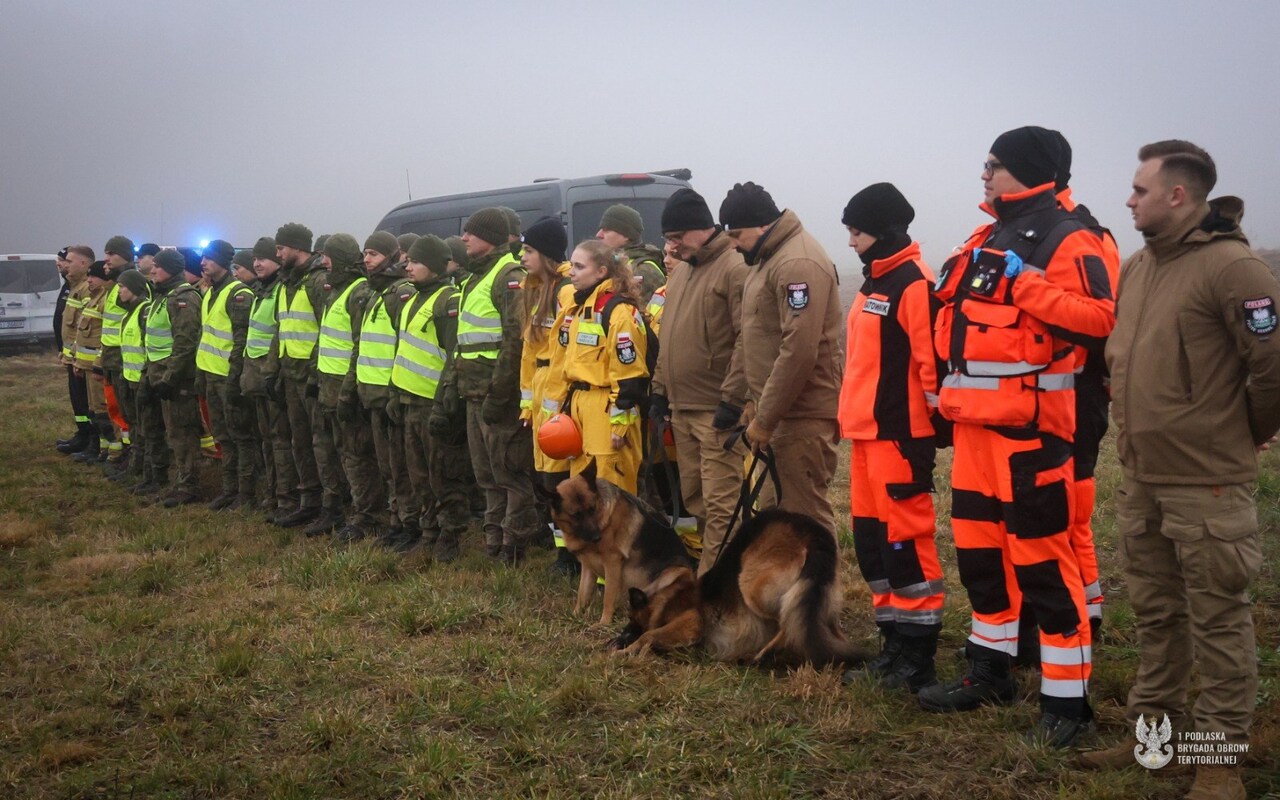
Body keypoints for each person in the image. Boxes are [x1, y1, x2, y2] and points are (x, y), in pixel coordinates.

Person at [1079, 141, 1280, 797]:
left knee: (1219, 625)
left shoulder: (1234, 268)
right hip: (1144, 478)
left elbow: (1272, 367)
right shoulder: (1138, 267)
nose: (1129, 200)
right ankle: (1155, 744)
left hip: (1208, 484)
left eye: (1140, 190)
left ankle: (1218, 766)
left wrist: (1242, 436)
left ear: (1178, 195)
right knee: (1158, 616)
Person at [920, 127, 1115, 748]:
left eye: (994, 164)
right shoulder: (986, 236)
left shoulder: (1071, 237)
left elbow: (1101, 321)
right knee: (980, 561)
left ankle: (1067, 705)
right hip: (975, 435)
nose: (984, 173)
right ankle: (989, 671)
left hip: (1032, 436)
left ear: (1029, 170)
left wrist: (1025, 283)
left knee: (1045, 569)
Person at [835, 183, 944, 692]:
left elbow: (931, 363)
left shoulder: (914, 283)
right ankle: (893, 643)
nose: (851, 241)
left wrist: (930, 433)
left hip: (900, 437)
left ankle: (918, 656)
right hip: (866, 435)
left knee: (906, 545)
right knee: (873, 545)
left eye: (857, 232)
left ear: (883, 231)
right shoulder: (873, 281)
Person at [722, 182, 844, 532]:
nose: (732, 245)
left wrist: (766, 418)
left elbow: (798, 351)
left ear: (763, 224)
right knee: (778, 518)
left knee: (805, 521)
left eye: (736, 235)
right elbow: (762, 339)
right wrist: (753, 402)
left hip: (800, 416)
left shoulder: (797, 263)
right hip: (779, 414)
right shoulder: (767, 258)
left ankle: (823, 572)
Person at [649, 188, 749, 573]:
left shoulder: (734, 267)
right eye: (668, 239)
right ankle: (725, 575)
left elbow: (747, 340)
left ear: (702, 228)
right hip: (682, 410)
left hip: (716, 411)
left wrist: (733, 400)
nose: (672, 247)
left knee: (722, 505)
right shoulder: (681, 274)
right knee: (697, 501)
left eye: (677, 237)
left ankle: (714, 587)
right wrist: (659, 392)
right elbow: (668, 339)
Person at [434, 208, 538, 562]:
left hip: (498, 398)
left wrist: (499, 395)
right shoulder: (473, 279)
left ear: (490, 238)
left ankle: (514, 544)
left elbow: (514, 343)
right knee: (487, 476)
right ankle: (494, 541)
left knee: (510, 473)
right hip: (473, 394)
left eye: (471, 232)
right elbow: (462, 345)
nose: (463, 238)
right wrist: (453, 388)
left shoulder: (509, 277)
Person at [544, 240, 650, 493]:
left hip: (605, 412)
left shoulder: (618, 311)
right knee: (584, 495)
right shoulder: (578, 309)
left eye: (580, 267)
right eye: (572, 265)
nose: (571, 272)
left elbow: (630, 374)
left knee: (611, 494)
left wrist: (620, 425)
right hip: (579, 410)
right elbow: (562, 364)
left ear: (601, 271)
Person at [393, 235, 468, 561]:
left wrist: (442, 404)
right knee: (419, 475)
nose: (408, 266)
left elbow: (454, 357)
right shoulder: (412, 299)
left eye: (416, 261)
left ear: (435, 266)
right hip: (410, 401)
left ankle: (451, 536)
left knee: (443, 476)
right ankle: (429, 533)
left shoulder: (447, 302)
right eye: (408, 261)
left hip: (432, 403)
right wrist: (395, 392)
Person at [516, 217, 576, 574]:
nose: (522, 257)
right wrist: (527, 403)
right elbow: (529, 352)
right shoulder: (536, 289)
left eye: (528, 250)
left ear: (548, 254)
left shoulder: (564, 291)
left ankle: (571, 554)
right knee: (544, 477)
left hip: (557, 398)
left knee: (558, 479)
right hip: (540, 397)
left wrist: (557, 405)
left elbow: (565, 355)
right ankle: (562, 551)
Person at [353, 231, 414, 547]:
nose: (367, 259)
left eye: (374, 254)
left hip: (392, 395)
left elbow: (406, 346)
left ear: (392, 257)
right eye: (365, 253)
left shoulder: (399, 293)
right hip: (373, 395)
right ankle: (396, 519)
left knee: (401, 466)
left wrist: (395, 392)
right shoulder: (376, 292)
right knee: (388, 466)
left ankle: (409, 524)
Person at [313, 234, 376, 541]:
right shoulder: (335, 292)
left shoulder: (358, 292)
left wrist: (348, 392)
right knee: (337, 452)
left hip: (344, 389)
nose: (323, 262)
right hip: (328, 387)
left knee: (356, 455)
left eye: (328, 256)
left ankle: (367, 516)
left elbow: (358, 347)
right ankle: (339, 510)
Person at [195, 240, 256, 511]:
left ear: (222, 261)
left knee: (240, 437)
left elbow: (241, 341)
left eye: (209, 258)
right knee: (223, 436)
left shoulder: (238, 294)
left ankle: (246, 492)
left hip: (228, 378)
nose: (203, 263)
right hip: (211, 375)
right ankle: (229, 489)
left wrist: (234, 379)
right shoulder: (211, 292)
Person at [239, 237, 297, 518]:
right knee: (266, 438)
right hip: (257, 377)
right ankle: (272, 493)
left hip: (273, 377)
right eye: (254, 259)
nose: (257, 264)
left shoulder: (280, 291)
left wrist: (272, 374)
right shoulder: (260, 291)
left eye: (262, 259)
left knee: (280, 439)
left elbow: (279, 335)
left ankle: (286, 498)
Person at [272, 223, 325, 528]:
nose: (277, 253)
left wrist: (315, 373)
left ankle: (330, 504)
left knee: (320, 442)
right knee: (300, 441)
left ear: (297, 247)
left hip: (312, 377)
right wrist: (275, 370)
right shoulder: (286, 284)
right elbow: (282, 329)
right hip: (291, 375)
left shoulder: (317, 282)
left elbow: (327, 331)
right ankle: (308, 501)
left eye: (281, 248)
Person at [142, 248, 205, 507]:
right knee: (172, 432)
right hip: (159, 375)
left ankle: (188, 486)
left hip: (177, 380)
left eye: (158, 266)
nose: (153, 270)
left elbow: (185, 343)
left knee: (182, 433)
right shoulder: (162, 296)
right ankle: (177, 481)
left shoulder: (183, 298)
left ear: (170, 269)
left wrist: (170, 378)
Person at [99, 235, 138, 474]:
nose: (107, 258)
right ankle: (128, 455)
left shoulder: (131, 282)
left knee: (129, 413)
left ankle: (132, 458)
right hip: (113, 356)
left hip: (124, 357)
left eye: (111, 253)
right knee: (120, 410)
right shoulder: (116, 284)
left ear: (124, 255)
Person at [72, 260, 115, 465]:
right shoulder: (93, 299)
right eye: (88, 276)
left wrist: (98, 363)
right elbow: (82, 334)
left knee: (102, 410)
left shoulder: (106, 300)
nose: (89, 280)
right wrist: (77, 360)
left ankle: (110, 451)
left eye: (93, 276)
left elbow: (105, 337)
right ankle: (99, 448)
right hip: (87, 366)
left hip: (98, 367)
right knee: (94, 410)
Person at [114, 269, 153, 488]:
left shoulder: (143, 311)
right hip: (129, 378)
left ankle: (147, 473)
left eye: (123, 287)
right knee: (135, 426)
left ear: (135, 288)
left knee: (146, 429)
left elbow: (149, 348)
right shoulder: (129, 312)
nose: (119, 291)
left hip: (141, 380)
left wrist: (146, 377)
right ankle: (135, 468)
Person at [56, 246, 95, 456]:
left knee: (87, 401)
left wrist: (76, 356)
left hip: (82, 358)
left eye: (70, 261)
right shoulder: (74, 287)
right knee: (78, 400)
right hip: (72, 357)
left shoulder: (87, 289)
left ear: (83, 263)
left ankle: (90, 438)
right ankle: (82, 434)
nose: (65, 264)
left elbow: (85, 327)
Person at [596, 204, 666, 306]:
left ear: (626, 235)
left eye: (606, 230)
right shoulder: (614, 263)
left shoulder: (643, 270)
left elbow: (645, 313)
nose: (599, 235)